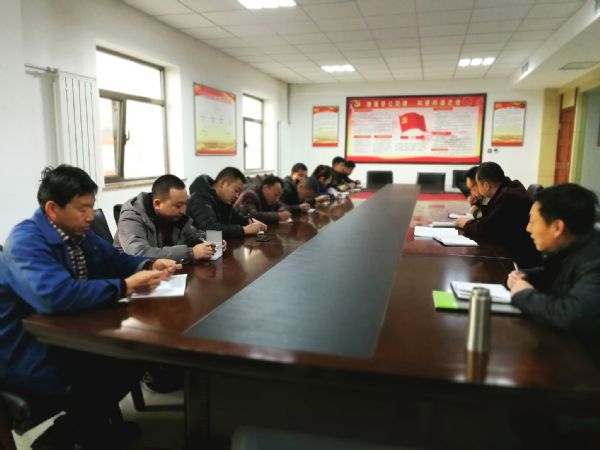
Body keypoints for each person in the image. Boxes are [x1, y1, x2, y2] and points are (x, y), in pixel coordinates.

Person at [0, 165, 180, 449]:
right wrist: (126, 286)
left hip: (66, 335)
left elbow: (115, 259)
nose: (89, 216)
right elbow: (54, 296)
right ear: (52, 209)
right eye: (82, 208)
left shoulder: (77, 233)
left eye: (91, 207)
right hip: (26, 350)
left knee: (137, 356)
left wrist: (148, 264)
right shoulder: (25, 242)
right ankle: (61, 438)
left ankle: (89, 431)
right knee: (115, 365)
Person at [508, 183, 600, 347]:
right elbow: (558, 277)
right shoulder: (574, 244)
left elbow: (572, 316)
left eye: (533, 222)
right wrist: (527, 276)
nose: (528, 228)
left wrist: (524, 294)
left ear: (557, 227)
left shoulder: (594, 260)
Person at [114, 174, 219, 263]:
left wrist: (212, 241)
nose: (183, 211)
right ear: (157, 204)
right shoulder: (132, 216)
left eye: (185, 204)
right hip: (131, 275)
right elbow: (138, 253)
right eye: (178, 205)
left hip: (167, 272)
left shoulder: (174, 216)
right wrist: (191, 253)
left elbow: (193, 235)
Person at [454, 162, 541, 268]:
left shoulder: (508, 197)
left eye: (478, 184)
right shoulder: (507, 189)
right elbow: (489, 217)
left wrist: (466, 223)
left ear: (486, 186)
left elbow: (486, 228)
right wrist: (479, 202)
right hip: (511, 245)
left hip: (519, 256)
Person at [187, 167, 267, 239]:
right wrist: (244, 230)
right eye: (236, 190)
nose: (237, 196)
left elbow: (237, 217)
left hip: (219, 245)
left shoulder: (223, 200)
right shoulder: (200, 198)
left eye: (239, 192)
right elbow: (209, 229)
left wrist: (249, 221)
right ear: (223, 184)